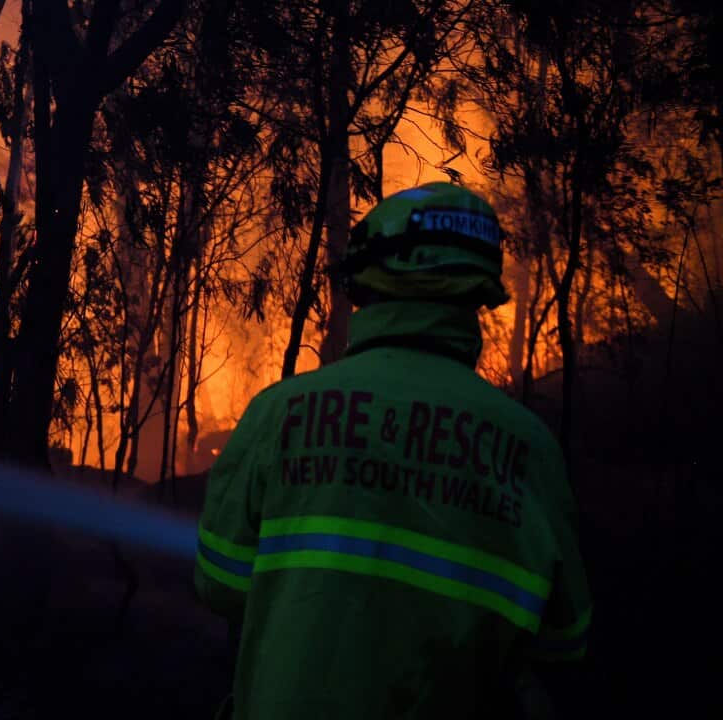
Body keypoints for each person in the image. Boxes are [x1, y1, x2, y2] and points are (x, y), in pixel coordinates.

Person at [194, 183, 591, 719]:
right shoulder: (528, 447)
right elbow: (564, 642)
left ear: (365, 283)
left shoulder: (279, 414)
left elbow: (220, 583)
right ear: (480, 293)